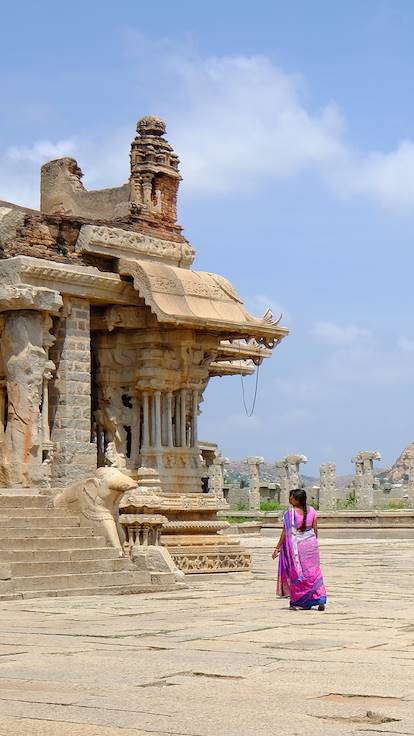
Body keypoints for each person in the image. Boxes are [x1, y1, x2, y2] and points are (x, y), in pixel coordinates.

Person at [272, 488, 327, 610]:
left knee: (298, 572)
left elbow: (285, 532)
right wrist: (313, 543)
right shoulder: (312, 510)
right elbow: (315, 530)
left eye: (291, 497)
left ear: (296, 499)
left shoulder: (290, 513)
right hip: (311, 544)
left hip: (297, 546)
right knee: (314, 572)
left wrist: (277, 547)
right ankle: (319, 597)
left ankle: (300, 600)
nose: (289, 499)